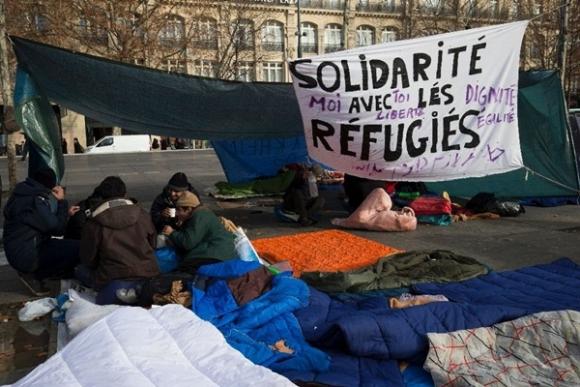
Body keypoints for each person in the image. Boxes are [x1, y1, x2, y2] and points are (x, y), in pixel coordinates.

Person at [78, 176, 159, 305]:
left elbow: (88, 258)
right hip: (147, 272)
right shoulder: (142, 214)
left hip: (111, 276)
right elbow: (153, 244)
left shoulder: (94, 222)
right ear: (125, 194)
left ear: (101, 196)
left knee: (79, 270)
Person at [3, 168, 80, 296]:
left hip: (19, 249)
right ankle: (34, 274)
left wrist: (65, 214)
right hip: (27, 255)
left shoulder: (23, 193)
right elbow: (57, 229)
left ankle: (36, 271)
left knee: (67, 247)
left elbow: (42, 221)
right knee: (77, 248)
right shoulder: (35, 201)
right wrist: (61, 202)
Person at [162, 191, 235, 271]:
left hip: (215, 254)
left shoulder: (199, 217)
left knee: (183, 270)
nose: (177, 213)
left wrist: (172, 233)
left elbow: (188, 243)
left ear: (189, 209)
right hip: (217, 252)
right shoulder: (200, 214)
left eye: (179, 210)